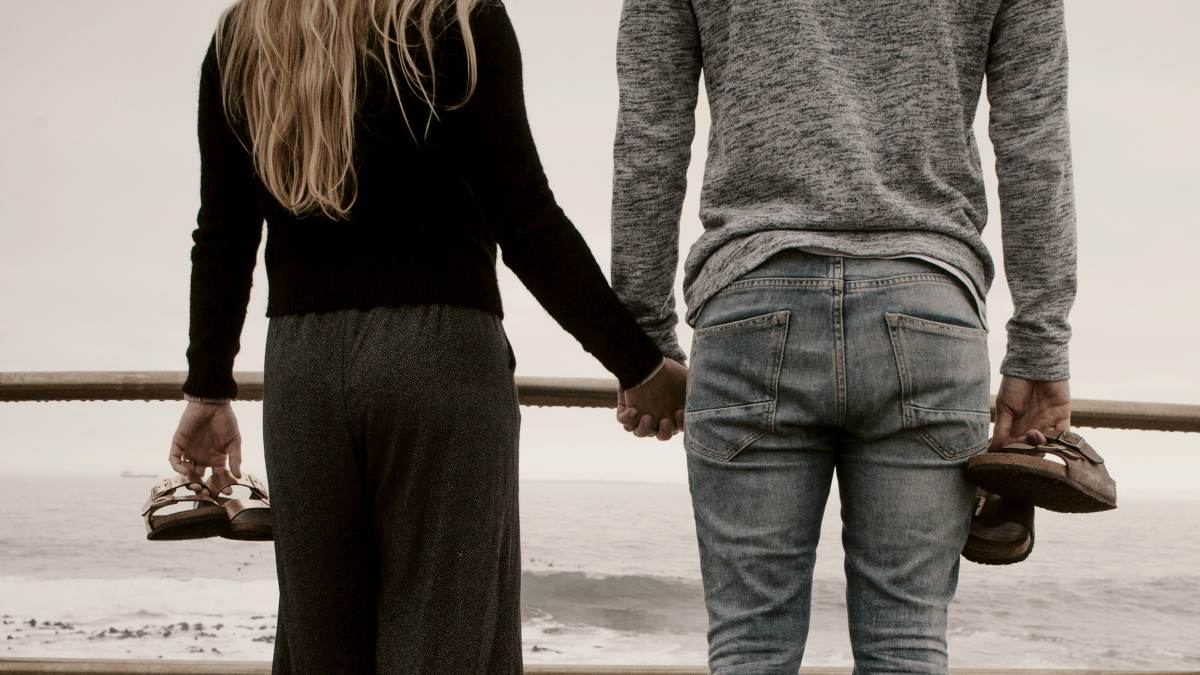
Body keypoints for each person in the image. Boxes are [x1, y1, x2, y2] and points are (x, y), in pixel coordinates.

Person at [169, 0, 685, 671]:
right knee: (445, 643)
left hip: (303, 372)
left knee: (322, 649)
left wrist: (208, 386)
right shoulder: (456, 17)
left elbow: (224, 234)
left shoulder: (247, 33)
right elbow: (525, 218)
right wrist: (639, 362)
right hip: (443, 359)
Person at [611, 0, 1076, 671]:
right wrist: (1040, 342)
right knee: (907, 646)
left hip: (752, 303)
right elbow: (1036, 137)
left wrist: (644, 342)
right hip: (928, 312)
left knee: (749, 646)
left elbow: (648, 135)